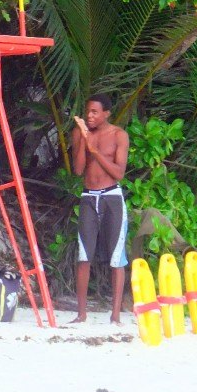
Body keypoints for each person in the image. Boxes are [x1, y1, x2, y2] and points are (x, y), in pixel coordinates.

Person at [70, 94, 129, 324]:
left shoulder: (118, 135)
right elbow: (77, 170)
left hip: (111, 198)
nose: (90, 116)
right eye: (88, 112)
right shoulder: (80, 133)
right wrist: (84, 142)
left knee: (117, 257)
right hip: (88, 197)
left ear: (106, 113)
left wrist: (95, 150)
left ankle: (115, 316)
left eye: (95, 112)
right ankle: (81, 314)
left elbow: (119, 173)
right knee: (84, 255)